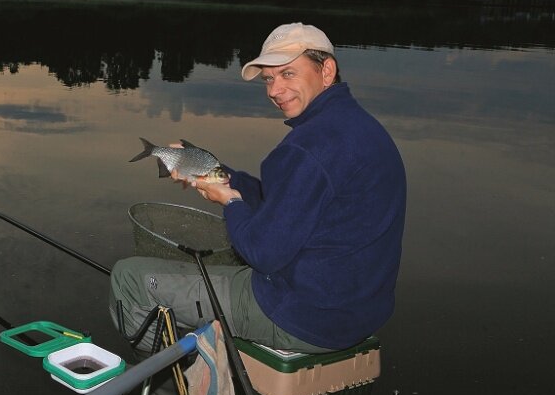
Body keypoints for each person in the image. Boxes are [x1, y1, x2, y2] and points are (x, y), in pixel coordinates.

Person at [110, 22, 406, 355]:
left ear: (327, 70)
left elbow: (262, 254)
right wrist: (218, 173)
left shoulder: (310, 146)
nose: (274, 91)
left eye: (288, 74)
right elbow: (290, 202)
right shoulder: (358, 127)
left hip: (304, 315)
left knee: (130, 278)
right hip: (357, 311)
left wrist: (231, 202)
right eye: (269, 78)